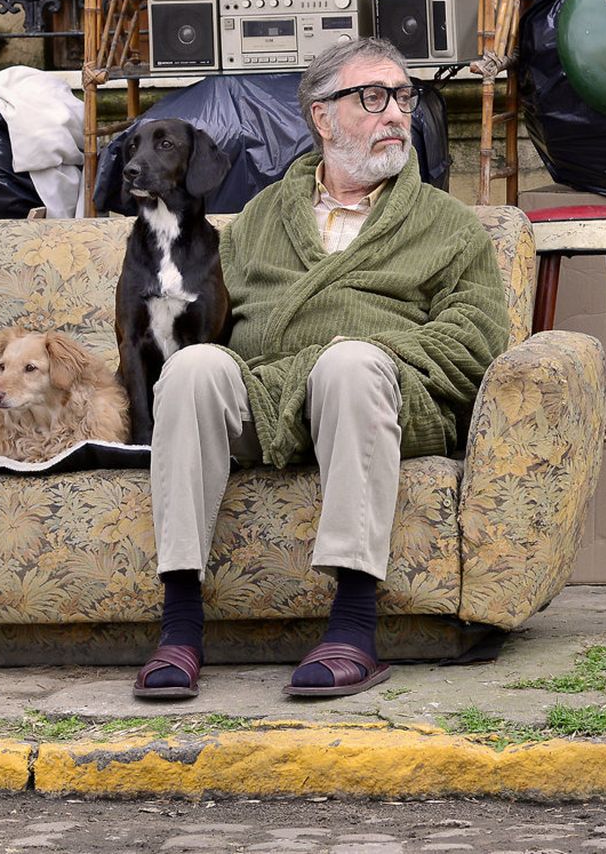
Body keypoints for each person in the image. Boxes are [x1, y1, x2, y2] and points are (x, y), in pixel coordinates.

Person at [132, 36, 511, 700]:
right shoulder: (262, 217)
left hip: (383, 398)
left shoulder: (447, 225)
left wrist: (365, 353)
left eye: (403, 97)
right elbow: (214, 317)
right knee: (191, 369)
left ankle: (354, 628)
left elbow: (476, 339)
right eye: (373, 97)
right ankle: (180, 627)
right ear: (323, 118)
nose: (396, 114)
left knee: (349, 363)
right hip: (269, 396)